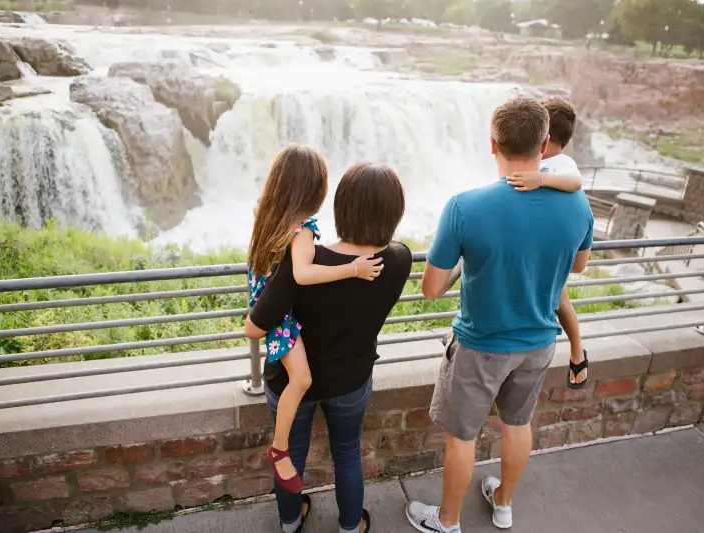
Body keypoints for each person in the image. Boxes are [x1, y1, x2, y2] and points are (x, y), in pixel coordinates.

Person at [405, 96, 594, 532]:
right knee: (517, 424)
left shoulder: (465, 207)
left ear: (492, 144)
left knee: (462, 437)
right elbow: (578, 266)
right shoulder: (578, 203)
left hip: (480, 345)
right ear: (545, 144)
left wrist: (466, 263)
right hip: (539, 343)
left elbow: (431, 289)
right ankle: (504, 504)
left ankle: (448, 522)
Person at [246, 162, 412, 533]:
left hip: (292, 380)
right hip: (351, 379)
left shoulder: (305, 260)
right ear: (394, 211)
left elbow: (256, 325)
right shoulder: (399, 258)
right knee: (348, 454)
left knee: (292, 454)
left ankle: (290, 522)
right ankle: (351, 527)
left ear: (340, 205)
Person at [507, 96, 589, 389]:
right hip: (541, 246)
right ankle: (577, 352)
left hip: (546, 249)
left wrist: (540, 181)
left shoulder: (561, 164)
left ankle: (578, 351)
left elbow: (576, 182)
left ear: (546, 137)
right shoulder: (543, 162)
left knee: (561, 301)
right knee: (558, 300)